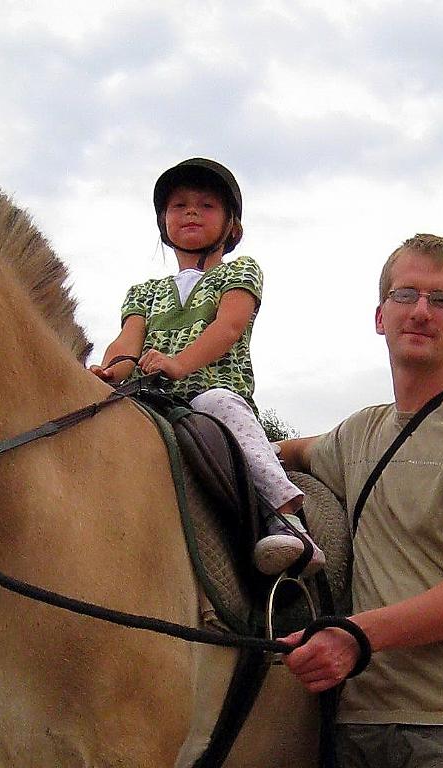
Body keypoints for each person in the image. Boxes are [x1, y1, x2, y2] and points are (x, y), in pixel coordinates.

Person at [277, 234, 443, 767]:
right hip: (358, 721)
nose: (421, 311)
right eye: (406, 295)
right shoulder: (358, 434)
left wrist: (355, 637)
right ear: (380, 317)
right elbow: (288, 451)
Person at [90, 158, 325, 577]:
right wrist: (109, 370)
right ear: (164, 222)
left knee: (220, 403)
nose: (191, 212)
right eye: (179, 205)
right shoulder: (146, 292)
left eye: (206, 205)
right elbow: (128, 342)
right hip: (152, 401)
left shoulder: (239, 271)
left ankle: (286, 518)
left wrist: (179, 364)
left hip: (210, 397)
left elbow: (229, 326)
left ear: (232, 225)